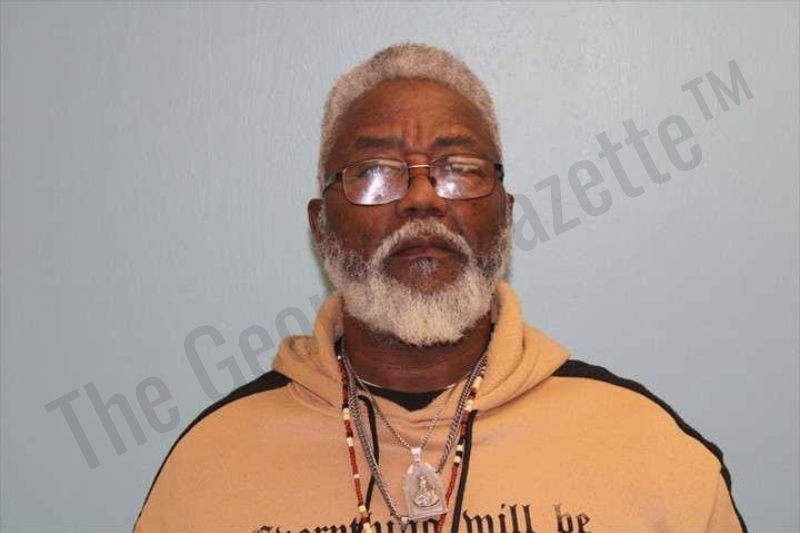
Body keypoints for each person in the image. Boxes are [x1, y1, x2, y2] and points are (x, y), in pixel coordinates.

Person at [135, 43, 747, 533]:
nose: (423, 198)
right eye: (377, 172)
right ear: (320, 226)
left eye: (458, 170)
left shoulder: (649, 449)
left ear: (505, 215)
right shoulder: (208, 470)